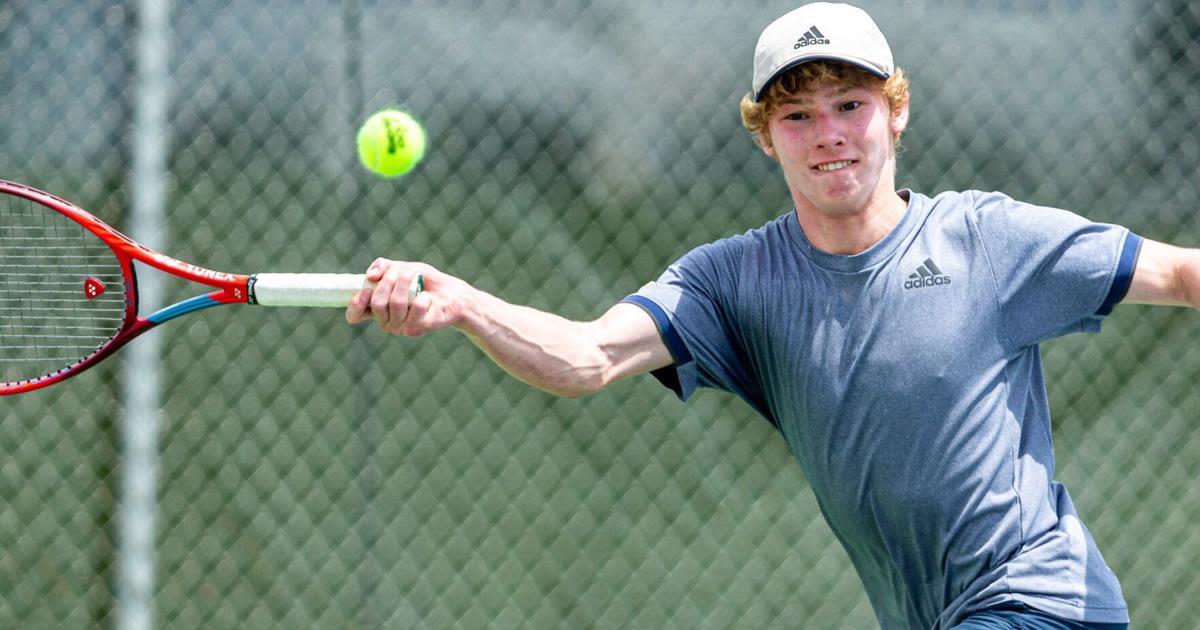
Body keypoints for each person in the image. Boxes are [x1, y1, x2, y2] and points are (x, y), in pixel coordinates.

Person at [345, 3, 1199, 628]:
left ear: (895, 112)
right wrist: (462, 304)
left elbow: (1176, 271)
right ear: (765, 135)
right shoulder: (733, 282)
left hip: (1045, 601)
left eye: (850, 105)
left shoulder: (989, 240)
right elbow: (587, 357)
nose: (827, 133)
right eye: (797, 114)